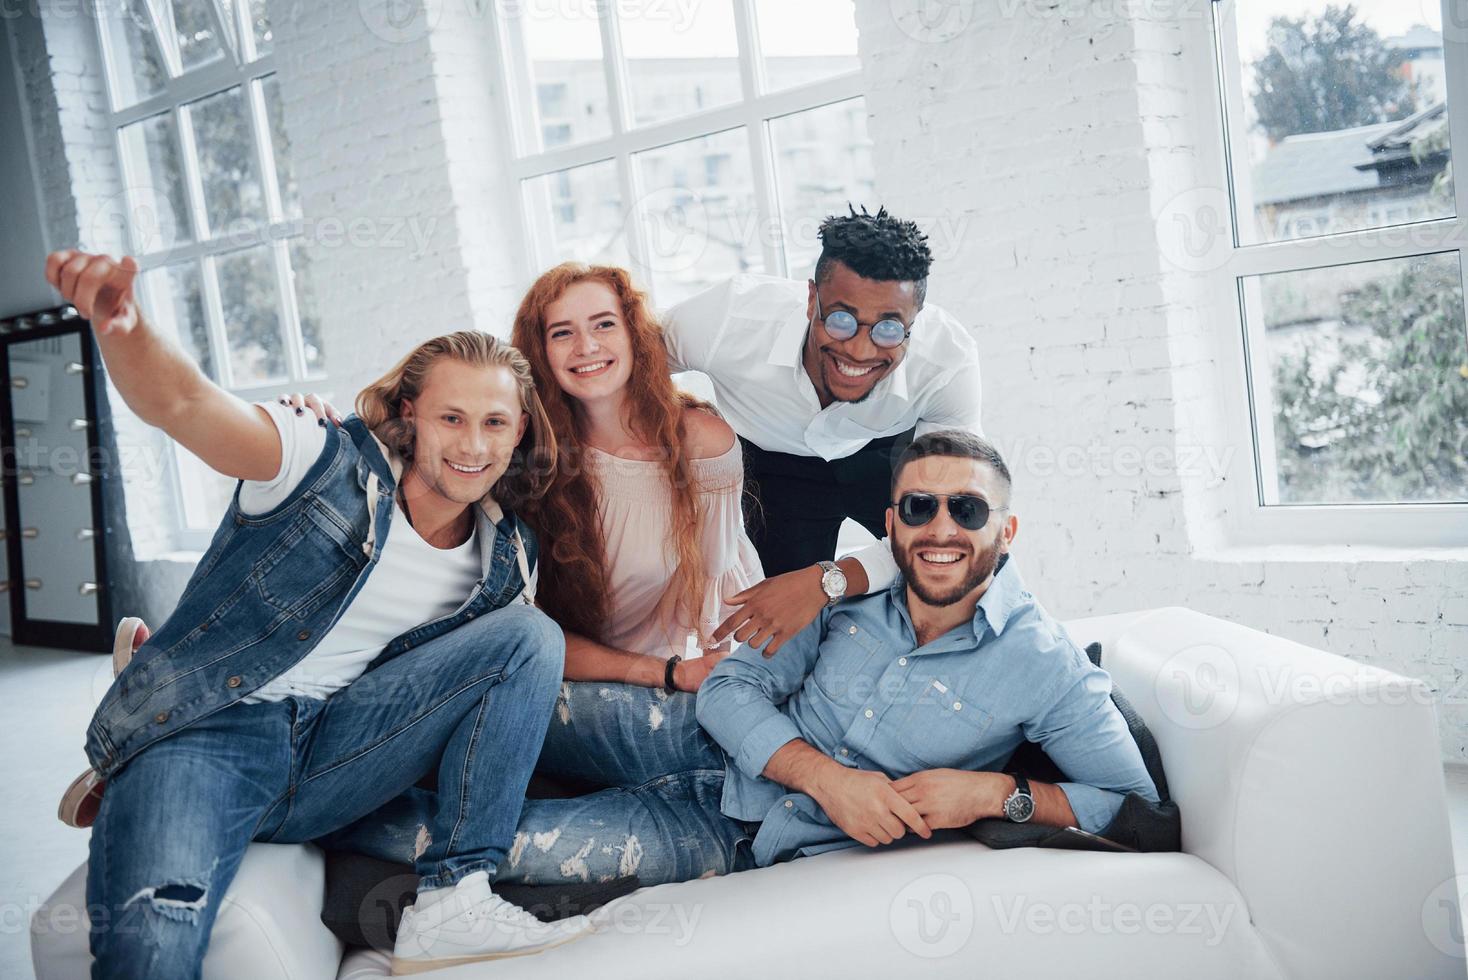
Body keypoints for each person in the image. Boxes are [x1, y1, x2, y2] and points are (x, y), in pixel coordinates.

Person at [42, 249, 590, 977]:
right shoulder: (318, 461)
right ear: (408, 416)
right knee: (151, 944)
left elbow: (489, 688)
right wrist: (125, 327)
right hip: (215, 735)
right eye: (450, 417)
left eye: (495, 422)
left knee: (528, 635)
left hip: (342, 754)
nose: (472, 445)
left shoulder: (506, 556)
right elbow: (186, 404)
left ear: (520, 430)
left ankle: (455, 898)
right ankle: (155, 710)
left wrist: (671, 671)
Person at [325, 430, 1158, 896]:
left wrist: (996, 794)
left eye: (967, 509)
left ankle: (304, 812)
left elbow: (1143, 816)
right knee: (528, 703)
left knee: (488, 843)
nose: (941, 528)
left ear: (1005, 531)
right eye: (919, 507)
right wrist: (825, 776)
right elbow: (733, 682)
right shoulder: (848, 591)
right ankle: (329, 734)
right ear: (892, 522)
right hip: (698, 738)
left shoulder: (1047, 667)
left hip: (739, 836)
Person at [659, 206, 985, 658]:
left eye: (889, 329)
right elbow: (623, 371)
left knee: (973, 580)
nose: (859, 348)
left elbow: (952, 528)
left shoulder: (947, 361)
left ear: (916, 321)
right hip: (773, 468)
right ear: (811, 299)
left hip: (887, 454)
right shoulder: (728, 319)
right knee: (777, 643)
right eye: (841, 319)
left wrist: (828, 580)